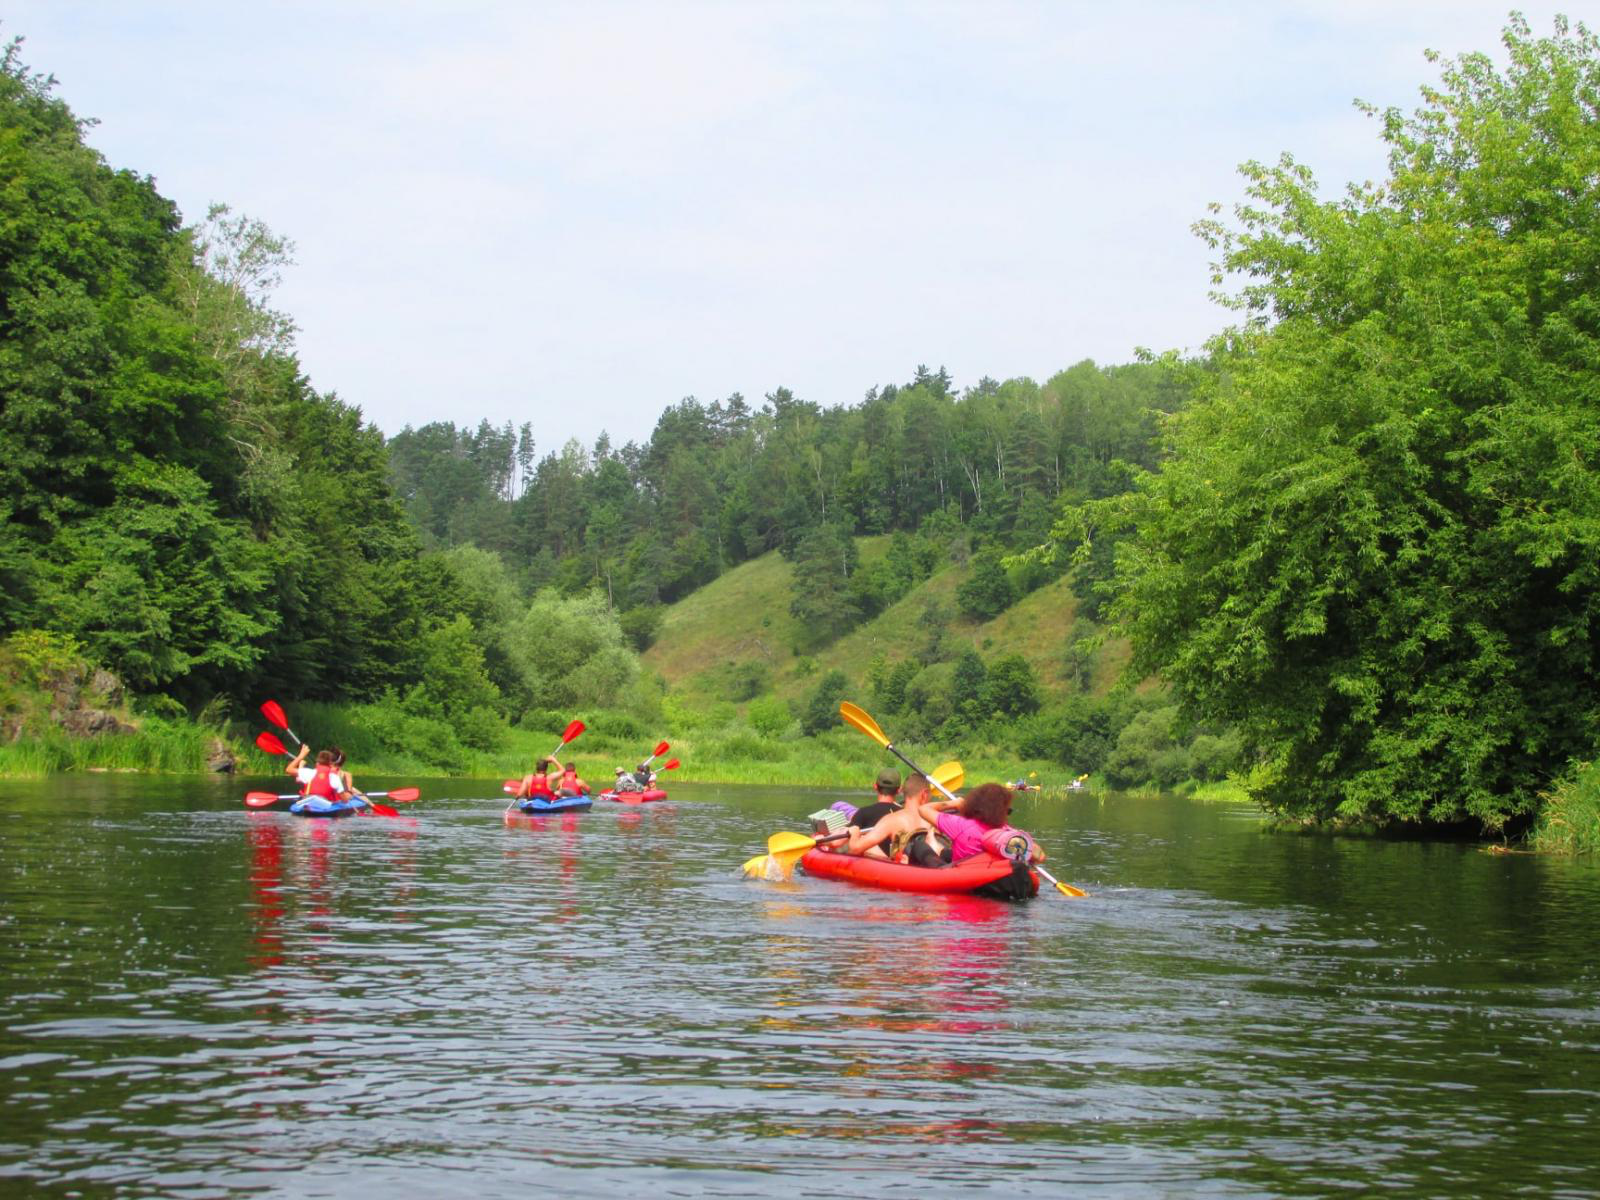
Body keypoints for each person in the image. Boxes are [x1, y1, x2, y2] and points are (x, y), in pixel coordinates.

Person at [932, 782, 1046, 865]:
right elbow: (1041, 857)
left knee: (920, 847)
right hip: (993, 878)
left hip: (964, 875)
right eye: (1008, 810)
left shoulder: (959, 824)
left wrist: (954, 803)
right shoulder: (1008, 833)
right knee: (946, 853)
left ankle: (935, 846)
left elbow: (924, 809)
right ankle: (939, 850)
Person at [846, 772, 947, 861]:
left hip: (905, 874)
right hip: (935, 869)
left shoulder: (891, 820)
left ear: (902, 791)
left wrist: (855, 833)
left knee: (870, 849)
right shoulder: (937, 819)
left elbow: (855, 849)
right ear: (924, 794)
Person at [846, 767, 903, 839]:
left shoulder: (863, 813)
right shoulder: (904, 814)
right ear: (899, 790)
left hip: (869, 849)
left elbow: (836, 843)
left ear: (875, 786)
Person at [285, 746, 349, 809]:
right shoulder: (334, 777)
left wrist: (301, 755)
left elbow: (288, 769)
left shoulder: (309, 773)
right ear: (330, 764)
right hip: (324, 805)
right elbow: (345, 800)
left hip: (308, 802)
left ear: (317, 763)